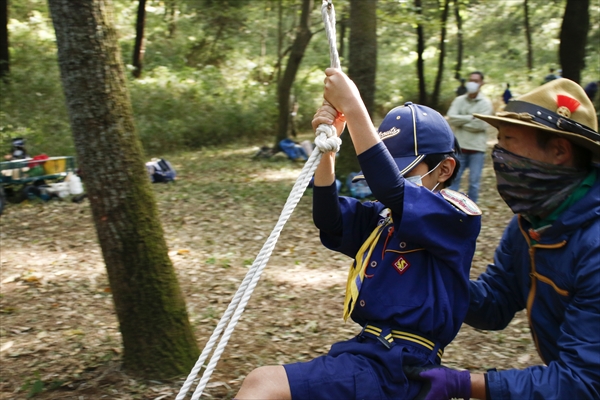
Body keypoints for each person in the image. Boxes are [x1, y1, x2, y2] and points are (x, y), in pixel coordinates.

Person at [235, 69, 482, 399]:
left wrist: (353, 106)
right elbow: (330, 220)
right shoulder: (383, 218)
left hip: (401, 366)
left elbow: (391, 188)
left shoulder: (455, 214)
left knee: (262, 383)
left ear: (445, 169)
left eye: (405, 168)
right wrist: (329, 151)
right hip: (367, 352)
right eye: (389, 165)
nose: (391, 180)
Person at [404, 78, 600, 399]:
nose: (499, 153)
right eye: (499, 140)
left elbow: (583, 381)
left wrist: (465, 384)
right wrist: (429, 274)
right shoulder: (532, 222)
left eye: (509, 140)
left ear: (559, 150)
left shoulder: (593, 245)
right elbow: (496, 302)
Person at [446, 71, 494, 203]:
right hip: (459, 147)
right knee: (453, 179)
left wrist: (462, 122)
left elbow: (481, 125)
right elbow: (452, 118)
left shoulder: (485, 103)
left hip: (477, 149)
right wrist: (471, 117)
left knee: (474, 182)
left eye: (476, 81)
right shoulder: (459, 100)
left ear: (482, 83)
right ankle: (450, 207)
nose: (472, 83)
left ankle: (472, 211)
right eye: (470, 80)